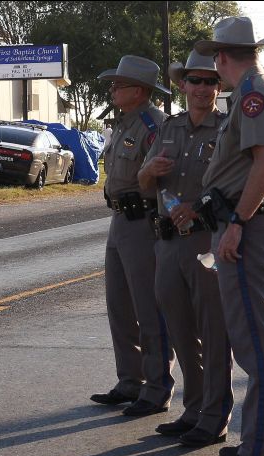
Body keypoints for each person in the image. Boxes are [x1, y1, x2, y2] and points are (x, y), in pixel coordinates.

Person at [194, 16, 264, 456]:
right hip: (253, 227)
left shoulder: (255, 93)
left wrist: (237, 222)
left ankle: (261, 453)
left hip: (248, 230)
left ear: (220, 58)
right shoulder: (258, 89)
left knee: (256, 345)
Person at [138, 50, 233, 448]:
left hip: (205, 240)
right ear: (182, 85)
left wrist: (199, 207)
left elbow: (235, 186)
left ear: (218, 86)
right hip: (167, 243)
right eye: (195, 80)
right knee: (179, 330)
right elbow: (145, 185)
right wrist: (147, 172)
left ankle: (214, 417)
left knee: (212, 332)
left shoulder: (228, 128)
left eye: (210, 81)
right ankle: (193, 409)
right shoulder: (168, 128)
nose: (202, 88)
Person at [91, 55, 176, 417]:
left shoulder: (153, 124)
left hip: (143, 222)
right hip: (119, 220)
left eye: (118, 84)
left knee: (148, 308)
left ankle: (157, 388)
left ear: (138, 91)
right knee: (119, 307)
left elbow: (164, 180)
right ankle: (130, 381)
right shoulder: (124, 123)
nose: (112, 89)